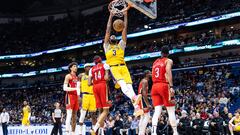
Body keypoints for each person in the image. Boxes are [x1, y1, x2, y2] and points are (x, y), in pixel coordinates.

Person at [103, 6, 142, 116]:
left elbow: (125, 29)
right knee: (124, 86)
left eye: (114, 36)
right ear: (110, 39)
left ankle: (137, 107)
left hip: (123, 66)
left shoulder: (121, 45)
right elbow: (108, 29)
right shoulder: (106, 46)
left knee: (129, 86)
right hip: (114, 68)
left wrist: (125, 15)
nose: (112, 36)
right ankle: (135, 99)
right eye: (111, 36)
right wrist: (111, 15)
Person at [151, 45, 179, 135]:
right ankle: (175, 132)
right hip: (163, 85)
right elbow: (168, 72)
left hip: (154, 86)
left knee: (157, 111)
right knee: (170, 110)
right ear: (168, 53)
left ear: (161, 53)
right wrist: (171, 86)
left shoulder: (155, 62)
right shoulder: (168, 60)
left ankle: (153, 132)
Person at [88, 55, 111, 135]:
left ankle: (101, 132)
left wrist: (95, 81)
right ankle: (94, 128)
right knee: (106, 110)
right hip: (102, 86)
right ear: (100, 60)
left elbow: (89, 83)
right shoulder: (104, 65)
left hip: (95, 87)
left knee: (100, 110)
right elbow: (106, 78)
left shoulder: (91, 69)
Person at [78, 63, 97, 135]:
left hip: (93, 96)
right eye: (87, 67)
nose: (89, 68)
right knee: (83, 114)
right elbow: (78, 86)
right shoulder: (81, 75)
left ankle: (94, 131)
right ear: (84, 68)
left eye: (90, 67)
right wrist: (79, 96)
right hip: (85, 95)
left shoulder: (93, 75)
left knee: (93, 115)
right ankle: (80, 132)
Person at [63, 62, 80, 135]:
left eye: (76, 66)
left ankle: (73, 132)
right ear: (70, 68)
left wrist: (79, 96)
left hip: (76, 97)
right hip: (69, 96)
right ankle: (67, 132)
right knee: (69, 114)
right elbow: (64, 88)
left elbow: (78, 89)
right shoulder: (68, 76)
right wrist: (75, 88)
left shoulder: (77, 77)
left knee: (74, 116)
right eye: (74, 66)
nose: (76, 67)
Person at [138, 70, 151, 135]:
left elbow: (143, 92)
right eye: (149, 73)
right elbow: (143, 93)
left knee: (142, 116)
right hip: (142, 99)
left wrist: (150, 94)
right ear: (146, 74)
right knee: (147, 116)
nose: (151, 74)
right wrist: (148, 104)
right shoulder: (145, 81)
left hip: (140, 99)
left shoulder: (144, 81)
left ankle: (140, 132)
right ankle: (142, 132)